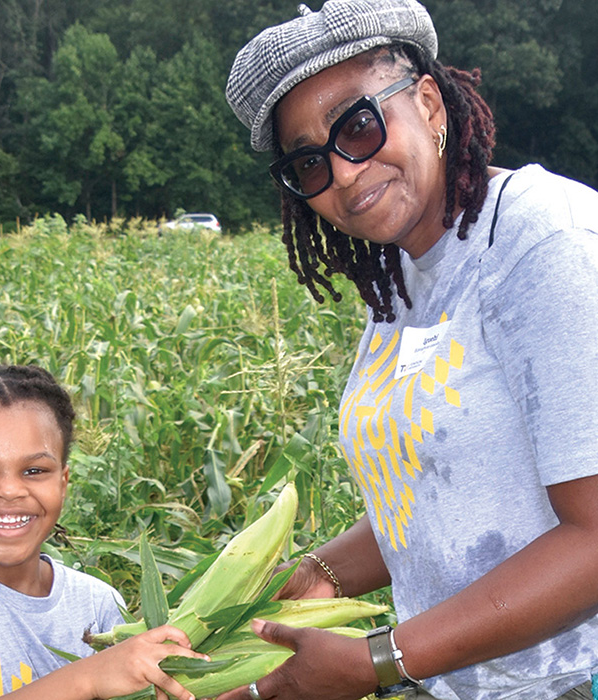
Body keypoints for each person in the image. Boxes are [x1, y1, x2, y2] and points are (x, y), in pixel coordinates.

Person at [221, 1, 598, 699]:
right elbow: (440, 492)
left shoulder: (540, 240)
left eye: (356, 126)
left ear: (428, 103)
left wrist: (381, 660)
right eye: (307, 163)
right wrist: (317, 577)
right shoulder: (399, 282)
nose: (340, 171)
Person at [0, 361, 206, 700]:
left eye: (33, 470)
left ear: (62, 483)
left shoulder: (98, 603)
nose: (10, 490)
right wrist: (88, 679)